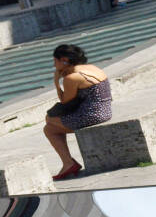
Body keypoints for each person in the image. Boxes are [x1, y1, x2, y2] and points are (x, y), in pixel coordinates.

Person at [44, 44, 113, 180]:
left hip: (92, 115)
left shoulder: (72, 78)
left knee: (49, 125)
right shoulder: (92, 68)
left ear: (64, 60)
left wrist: (57, 82)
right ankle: (68, 163)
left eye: (55, 61)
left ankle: (68, 163)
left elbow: (65, 101)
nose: (54, 65)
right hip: (105, 111)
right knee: (50, 125)